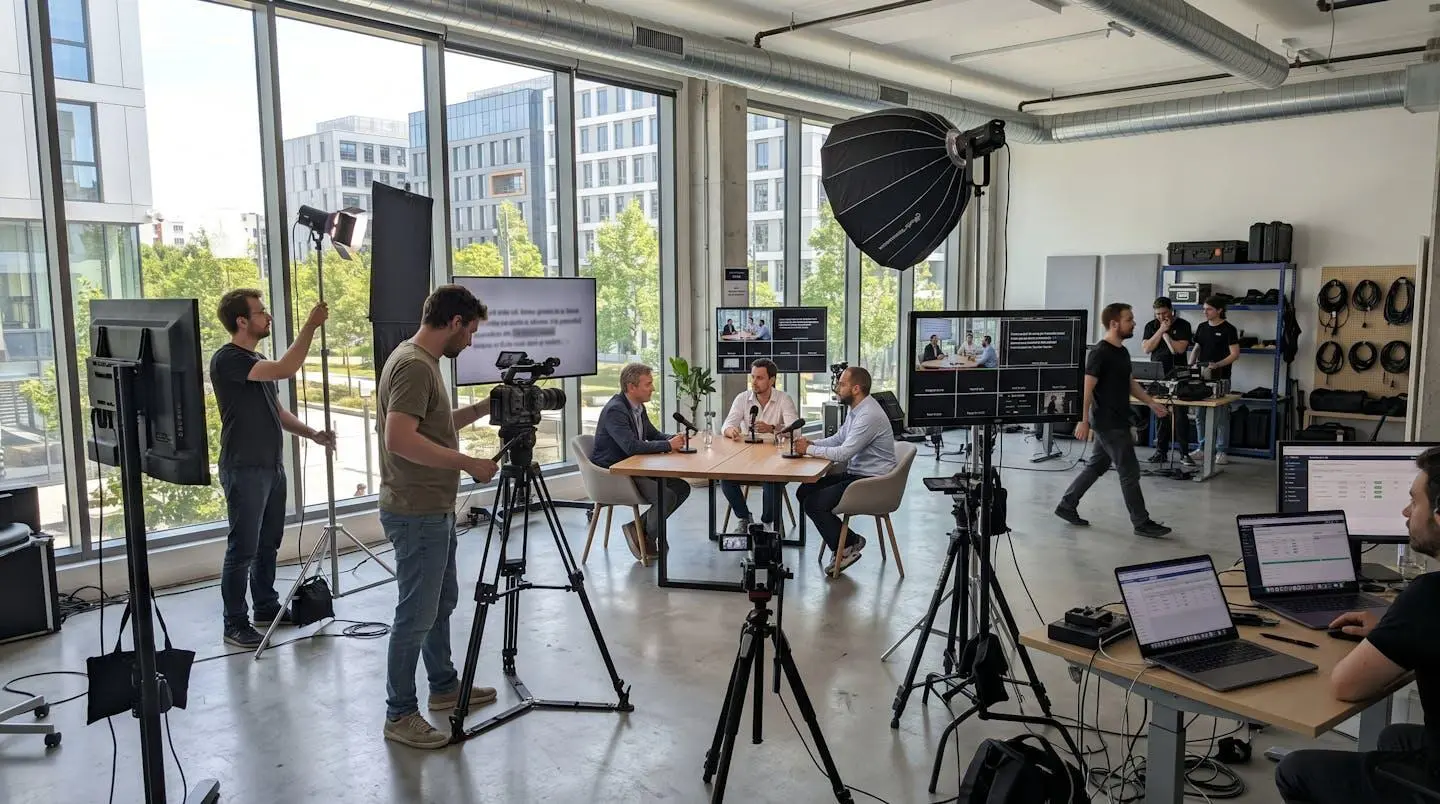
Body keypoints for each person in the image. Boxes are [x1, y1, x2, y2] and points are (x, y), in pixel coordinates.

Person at [1274, 445, 1440, 803]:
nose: (1406, 511)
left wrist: (1397, 633)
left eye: (1416, 501)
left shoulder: (1429, 597)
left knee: (1295, 769)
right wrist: (1394, 631)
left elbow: (1346, 685)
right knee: (1393, 737)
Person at [376, 284, 500, 749]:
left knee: (440, 603)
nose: (469, 342)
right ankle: (400, 713)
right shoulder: (413, 366)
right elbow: (400, 439)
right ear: (453, 323)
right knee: (416, 613)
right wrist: (468, 464)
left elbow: (435, 424)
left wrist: (486, 407)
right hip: (416, 511)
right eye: (469, 332)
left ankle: (444, 685)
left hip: (433, 508)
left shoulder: (419, 361)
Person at [210, 290, 336, 649]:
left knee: (268, 544)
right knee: (242, 548)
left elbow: (278, 412)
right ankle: (234, 623)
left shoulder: (255, 358)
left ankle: (265, 607)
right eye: (261, 312)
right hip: (244, 468)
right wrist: (310, 327)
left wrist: (312, 433)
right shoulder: (228, 359)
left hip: (271, 466)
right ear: (241, 321)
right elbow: (286, 369)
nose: (267, 317)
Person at [1055, 302, 1172, 538]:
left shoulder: (1122, 352)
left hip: (1118, 418)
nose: (1134, 323)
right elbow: (1087, 388)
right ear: (1114, 323)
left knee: (1097, 465)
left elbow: (1130, 383)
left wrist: (1150, 402)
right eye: (1129, 319)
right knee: (1130, 471)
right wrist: (1082, 420)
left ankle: (1067, 505)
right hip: (1108, 422)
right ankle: (1141, 522)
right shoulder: (1100, 352)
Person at [793, 366, 897, 575]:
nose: (837, 388)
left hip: (871, 482)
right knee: (804, 491)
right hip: (857, 474)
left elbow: (843, 453)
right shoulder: (856, 409)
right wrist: (813, 443)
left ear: (856, 388)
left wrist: (810, 450)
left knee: (814, 503)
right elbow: (840, 438)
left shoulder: (868, 415)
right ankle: (842, 542)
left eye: (842, 384)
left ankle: (848, 544)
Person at [591, 363, 690, 560]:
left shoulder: (638, 407)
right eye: (648, 384)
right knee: (667, 496)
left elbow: (653, 434)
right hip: (616, 474)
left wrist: (675, 439)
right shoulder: (616, 410)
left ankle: (640, 531)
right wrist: (668, 445)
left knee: (681, 488)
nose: (653, 388)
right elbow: (632, 447)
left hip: (634, 467)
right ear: (631, 387)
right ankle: (646, 535)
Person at [720, 358, 799, 531]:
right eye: (753, 377)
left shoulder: (784, 399)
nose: (754, 382)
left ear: (772, 380)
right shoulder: (742, 398)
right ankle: (744, 517)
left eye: (759, 378)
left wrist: (772, 429)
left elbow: (796, 431)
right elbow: (726, 425)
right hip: (747, 460)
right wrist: (731, 431)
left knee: (771, 480)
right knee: (725, 478)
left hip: (775, 461)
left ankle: (766, 523)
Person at [1188, 295, 1240, 467]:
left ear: (1219, 310)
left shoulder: (1229, 329)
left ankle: (1221, 451)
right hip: (1201, 377)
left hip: (1221, 378)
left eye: (1209, 309)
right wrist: (1190, 367)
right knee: (1199, 415)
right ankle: (1202, 448)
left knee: (1221, 416)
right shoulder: (1202, 327)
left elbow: (1234, 354)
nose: (1205, 312)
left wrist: (1217, 365)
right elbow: (1197, 348)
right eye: (1204, 309)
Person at [1140, 297, 1193, 463]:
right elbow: (1147, 348)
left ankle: (1184, 453)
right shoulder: (1151, 326)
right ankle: (1160, 451)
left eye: (1164, 313)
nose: (1161, 317)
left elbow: (1180, 348)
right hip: (1159, 375)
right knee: (1160, 413)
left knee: (1180, 414)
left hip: (1179, 374)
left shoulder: (1183, 325)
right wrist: (1161, 330)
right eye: (1157, 314)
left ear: (1171, 310)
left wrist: (1168, 335)